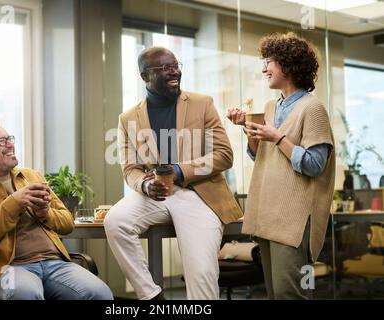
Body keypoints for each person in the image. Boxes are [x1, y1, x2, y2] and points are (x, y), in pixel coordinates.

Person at [104, 46, 243, 300]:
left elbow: (224, 155)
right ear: (146, 76)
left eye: (176, 65)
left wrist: (180, 171)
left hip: (199, 195)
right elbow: (131, 169)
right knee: (115, 221)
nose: (175, 71)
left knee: (201, 274)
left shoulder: (202, 104)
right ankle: (152, 296)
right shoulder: (127, 119)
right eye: (165, 68)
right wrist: (145, 186)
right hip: (156, 195)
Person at [226, 32, 336, 299]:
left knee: (292, 295)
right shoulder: (270, 107)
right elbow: (262, 157)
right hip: (267, 216)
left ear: (288, 64)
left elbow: (314, 165)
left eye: (269, 61)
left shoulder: (313, 109)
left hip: (293, 221)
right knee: (275, 295)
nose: (264, 69)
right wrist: (250, 132)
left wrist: (277, 137)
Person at [0, 120, 113, 300]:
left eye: (10, 139)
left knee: (100, 293)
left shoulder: (32, 176)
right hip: (11, 268)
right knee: (24, 294)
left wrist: (45, 213)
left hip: (56, 263)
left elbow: (67, 224)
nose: (11, 144)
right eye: (1, 141)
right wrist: (12, 204)